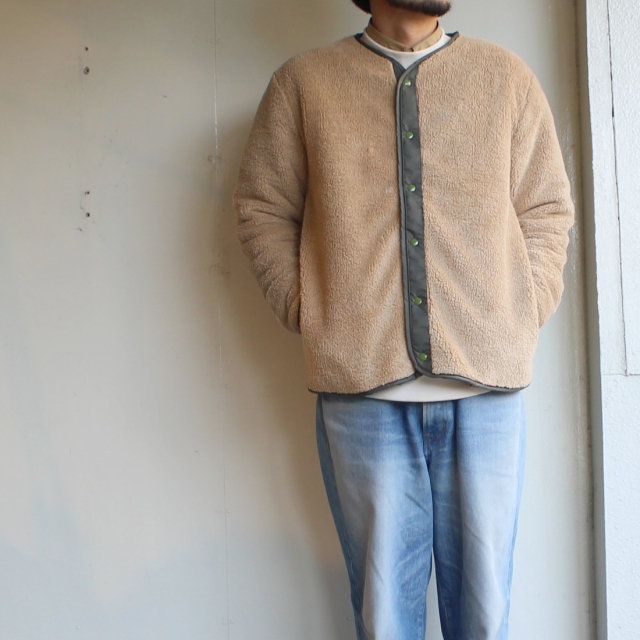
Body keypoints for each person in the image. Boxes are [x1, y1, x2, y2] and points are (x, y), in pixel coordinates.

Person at [233, 0, 574, 638]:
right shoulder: (305, 83)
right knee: (384, 619)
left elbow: (547, 208)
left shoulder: (504, 77)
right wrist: (311, 309)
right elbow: (262, 205)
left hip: (487, 391)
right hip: (362, 395)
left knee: (485, 618)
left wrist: (523, 308)